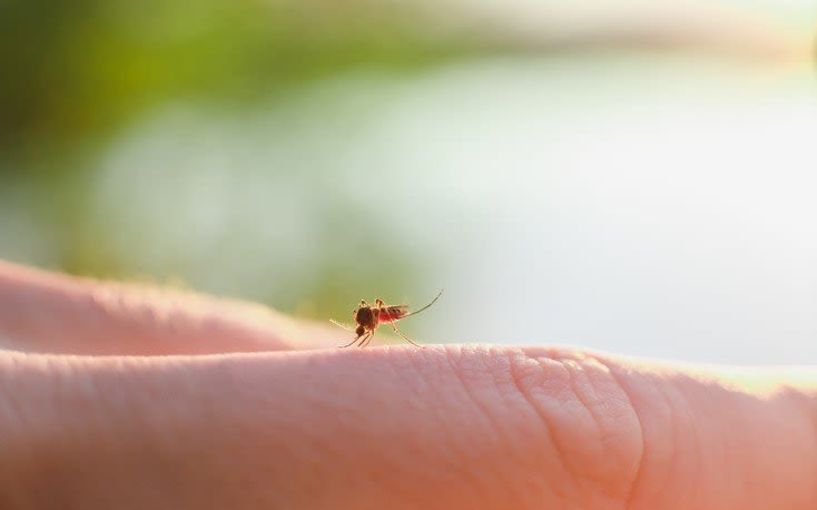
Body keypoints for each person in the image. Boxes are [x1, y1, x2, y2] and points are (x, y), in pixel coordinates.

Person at [0, 259, 814, 509]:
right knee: (575, 434)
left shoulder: (376, 319)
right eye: (377, 321)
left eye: (379, 321)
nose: (376, 323)